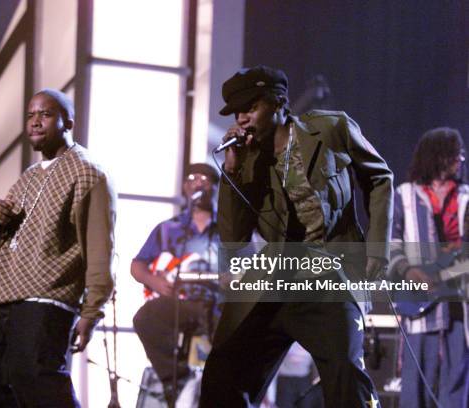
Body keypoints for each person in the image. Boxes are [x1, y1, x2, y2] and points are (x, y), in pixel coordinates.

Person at [199, 65, 394, 407]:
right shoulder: (244, 160)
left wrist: (377, 250)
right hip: (274, 277)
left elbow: (380, 178)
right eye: (237, 112)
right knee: (222, 375)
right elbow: (234, 236)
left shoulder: (332, 129)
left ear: (278, 103)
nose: (242, 119)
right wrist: (232, 172)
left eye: (251, 108)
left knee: (346, 375)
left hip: (331, 273)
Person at [0, 89, 116, 407]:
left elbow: (100, 250)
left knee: (42, 391)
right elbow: (4, 247)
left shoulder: (88, 172)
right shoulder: (27, 177)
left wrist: (91, 312)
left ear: (69, 123)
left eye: (46, 114)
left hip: (44, 300)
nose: (35, 122)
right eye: (31, 115)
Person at [387, 127, 469, 408]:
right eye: (454, 154)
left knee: (456, 382)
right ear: (438, 156)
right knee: (416, 383)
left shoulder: (466, 196)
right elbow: (392, 241)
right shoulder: (405, 195)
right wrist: (409, 271)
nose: (460, 159)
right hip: (419, 301)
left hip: (459, 301)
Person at [132, 163, 221, 407]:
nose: (199, 182)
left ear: (216, 188)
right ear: (185, 187)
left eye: (206, 179)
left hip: (218, 307)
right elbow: (137, 265)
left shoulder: (230, 230)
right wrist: (154, 281)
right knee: (145, 318)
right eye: (193, 177)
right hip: (180, 303)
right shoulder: (168, 228)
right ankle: (177, 381)